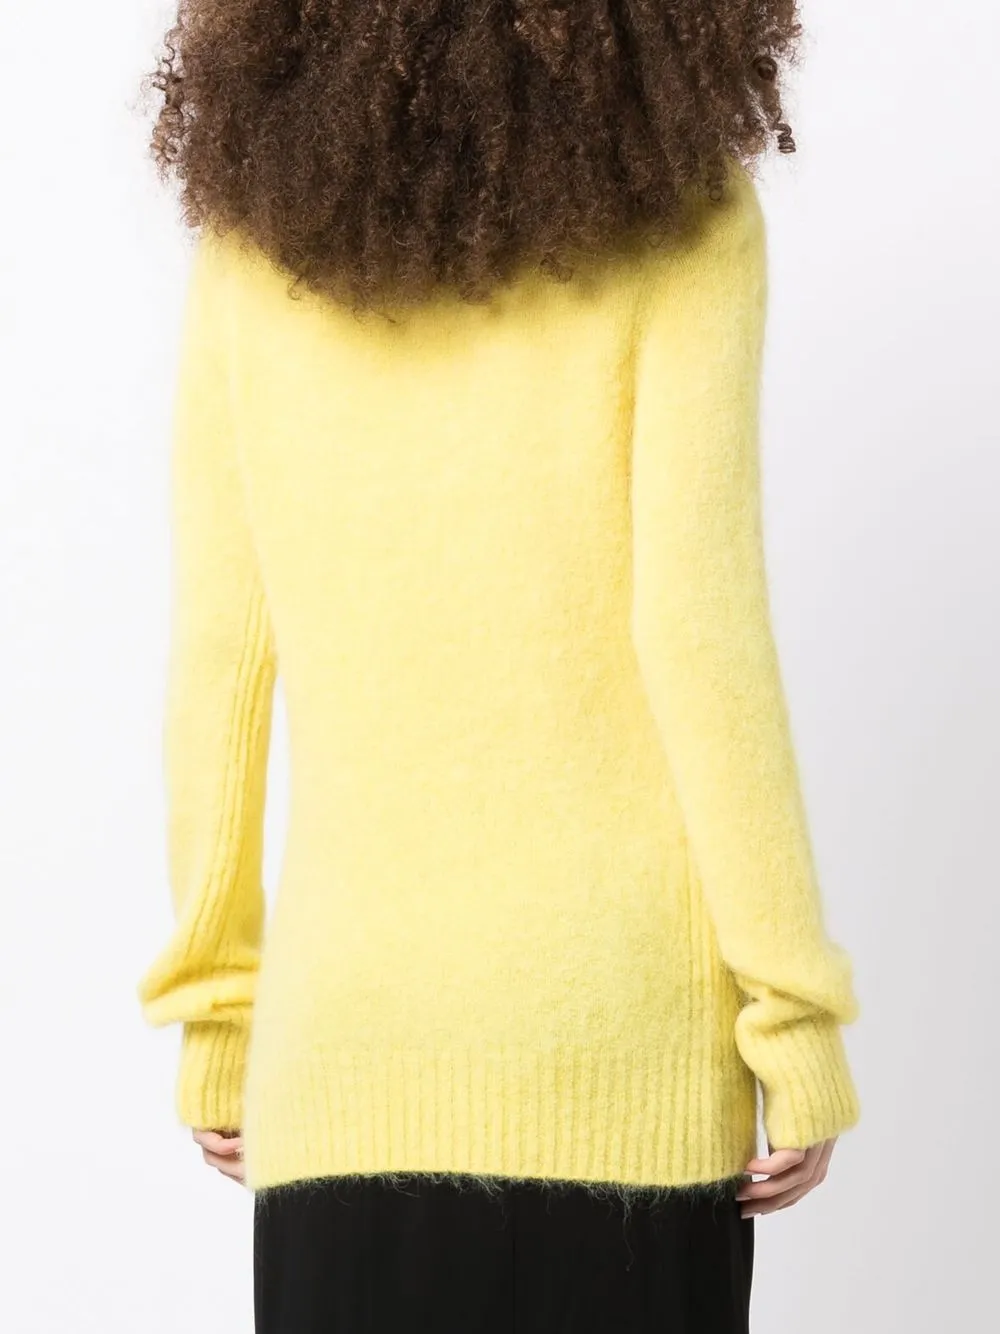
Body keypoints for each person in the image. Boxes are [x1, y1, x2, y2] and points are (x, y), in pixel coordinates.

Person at [136, 2, 861, 1330]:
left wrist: (217, 1012)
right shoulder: (688, 220)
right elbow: (699, 633)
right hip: (630, 1057)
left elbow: (221, 658)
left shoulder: (253, 244)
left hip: (348, 1052)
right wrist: (792, 1011)